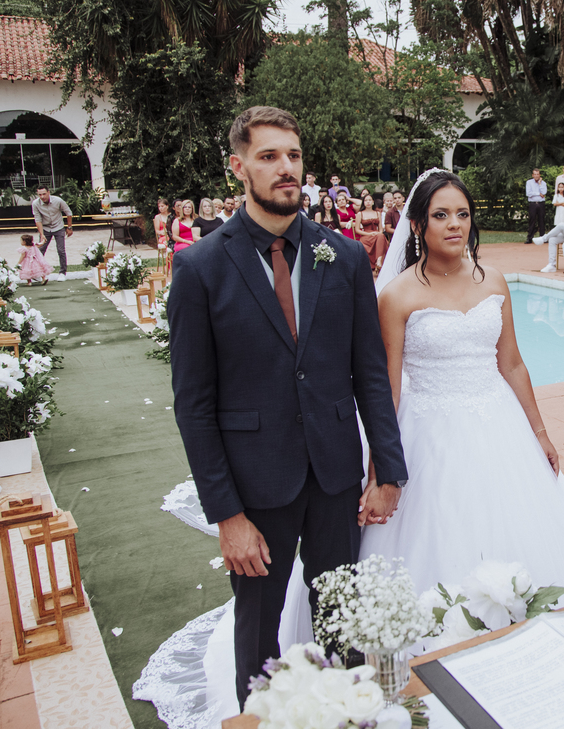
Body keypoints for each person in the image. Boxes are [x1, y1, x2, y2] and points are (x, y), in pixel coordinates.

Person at [168, 106, 406, 711]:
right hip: (255, 486)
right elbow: (193, 405)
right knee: (258, 629)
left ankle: (347, 715)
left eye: (293, 156)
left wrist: (388, 470)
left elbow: (370, 373)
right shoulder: (199, 267)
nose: (285, 168)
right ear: (238, 167)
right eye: (269, 156)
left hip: (334, 476)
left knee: (342, 621)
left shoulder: (343, 257)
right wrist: (227, 515)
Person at [361, 168, 564, 607]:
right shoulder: (396, 295)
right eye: (441, 215)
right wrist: (379, 472)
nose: (455, 224)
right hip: (429, 433)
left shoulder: (493, 280)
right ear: (418, 225)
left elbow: (512, 363)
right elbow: (388, 389)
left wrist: (539, 432)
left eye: (462, 214)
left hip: (499, 423)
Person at [32, 185, 73, 278]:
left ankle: (62, 273)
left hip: (58, 227)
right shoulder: (35, 204)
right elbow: (37, 219)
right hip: (45, 228)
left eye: (44, 194)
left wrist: (69, 227)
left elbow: (68, 212)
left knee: (61, 250)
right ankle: (37, 273)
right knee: (40, 251)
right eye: (40, 195)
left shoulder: (58, 200)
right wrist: (42, 234)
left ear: (48, 192)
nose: (42, 196)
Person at [354, 193, 390, 272]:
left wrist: (378, 233)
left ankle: (379, 261)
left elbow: (380, 228)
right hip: (366, 235)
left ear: (373, 202)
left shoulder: (377, 213)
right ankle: (378, 261)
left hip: (377, 234)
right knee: (381, 237)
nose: (368, 202)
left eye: (370, 200)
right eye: (366, 200)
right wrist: (369, 234)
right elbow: (357, 230)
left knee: (381, 236)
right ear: (363, 202)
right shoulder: (360, 214)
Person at [524, 168, 548, 243]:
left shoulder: (543, 183)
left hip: (541, 203)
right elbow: (528, 194)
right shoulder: (529, 182)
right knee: (532, 220)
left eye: (538, 174)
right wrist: (538, 193)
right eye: (535, 174)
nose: (536, 176)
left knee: (542, 220)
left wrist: (540, 184)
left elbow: (544, 192)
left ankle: (542, 237)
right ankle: (530, 238)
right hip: (533, 204)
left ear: (540, 175)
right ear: (532, 175)